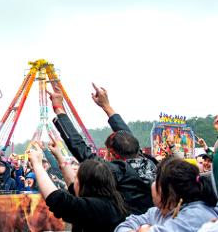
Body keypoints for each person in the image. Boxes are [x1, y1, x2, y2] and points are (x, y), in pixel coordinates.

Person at [46, 83, 155, 214]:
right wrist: (106, 106)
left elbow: (79, 147)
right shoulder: (150, 163)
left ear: (112, 154)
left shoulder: (117, 172)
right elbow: (128, 140)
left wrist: (58, 107)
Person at [28, 141, 128, 232]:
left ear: (85, 183)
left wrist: (37, 164)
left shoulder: (95, 208)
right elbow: (72, 186)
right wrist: (59, 155)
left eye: (76, 177)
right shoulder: (111, 202)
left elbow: (57, 200)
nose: (73, 180)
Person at [115, 158, 218, 232]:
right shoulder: (157, 212)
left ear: (167, 189)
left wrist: (144, 229)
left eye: (156, 179)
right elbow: (125, 225)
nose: (152, 184)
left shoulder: (196, 215)